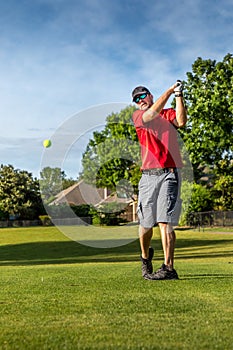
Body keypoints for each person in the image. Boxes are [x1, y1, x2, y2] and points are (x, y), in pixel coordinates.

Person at [131, 81, 187, 280]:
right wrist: (170, 90)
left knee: (166, 221)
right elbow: (150, 115)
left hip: (169, 174)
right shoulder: (139, 116)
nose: (140, 101)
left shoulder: (167, 113)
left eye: (143, 96)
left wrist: (179, 94)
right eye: (136, 99)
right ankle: (145, 258)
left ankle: (168, 268)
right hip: (148, 176)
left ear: (150, 96)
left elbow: (181, 121)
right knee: (146, 224)